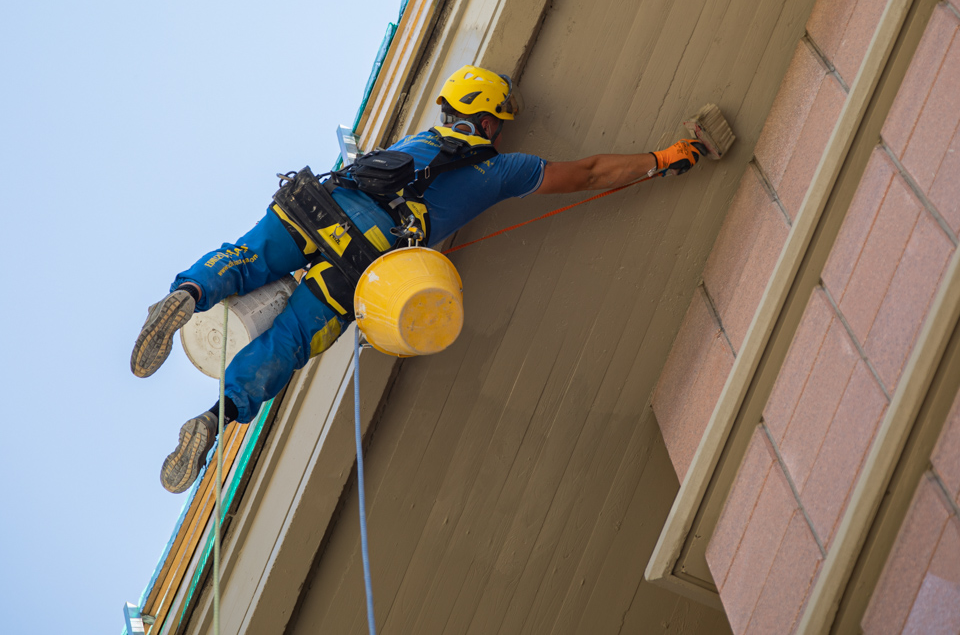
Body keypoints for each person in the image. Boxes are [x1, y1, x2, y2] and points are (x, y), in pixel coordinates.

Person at [131, 66, 725, 492]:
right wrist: (665, 158)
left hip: (319, 205)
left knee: (248, 257)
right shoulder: (502, 168)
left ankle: (185, 294)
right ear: (490, 118)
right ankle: (216, 417)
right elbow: (591, 172)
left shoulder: (414, 141)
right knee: (288, 345)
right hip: (367, 261)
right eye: (499, 121)